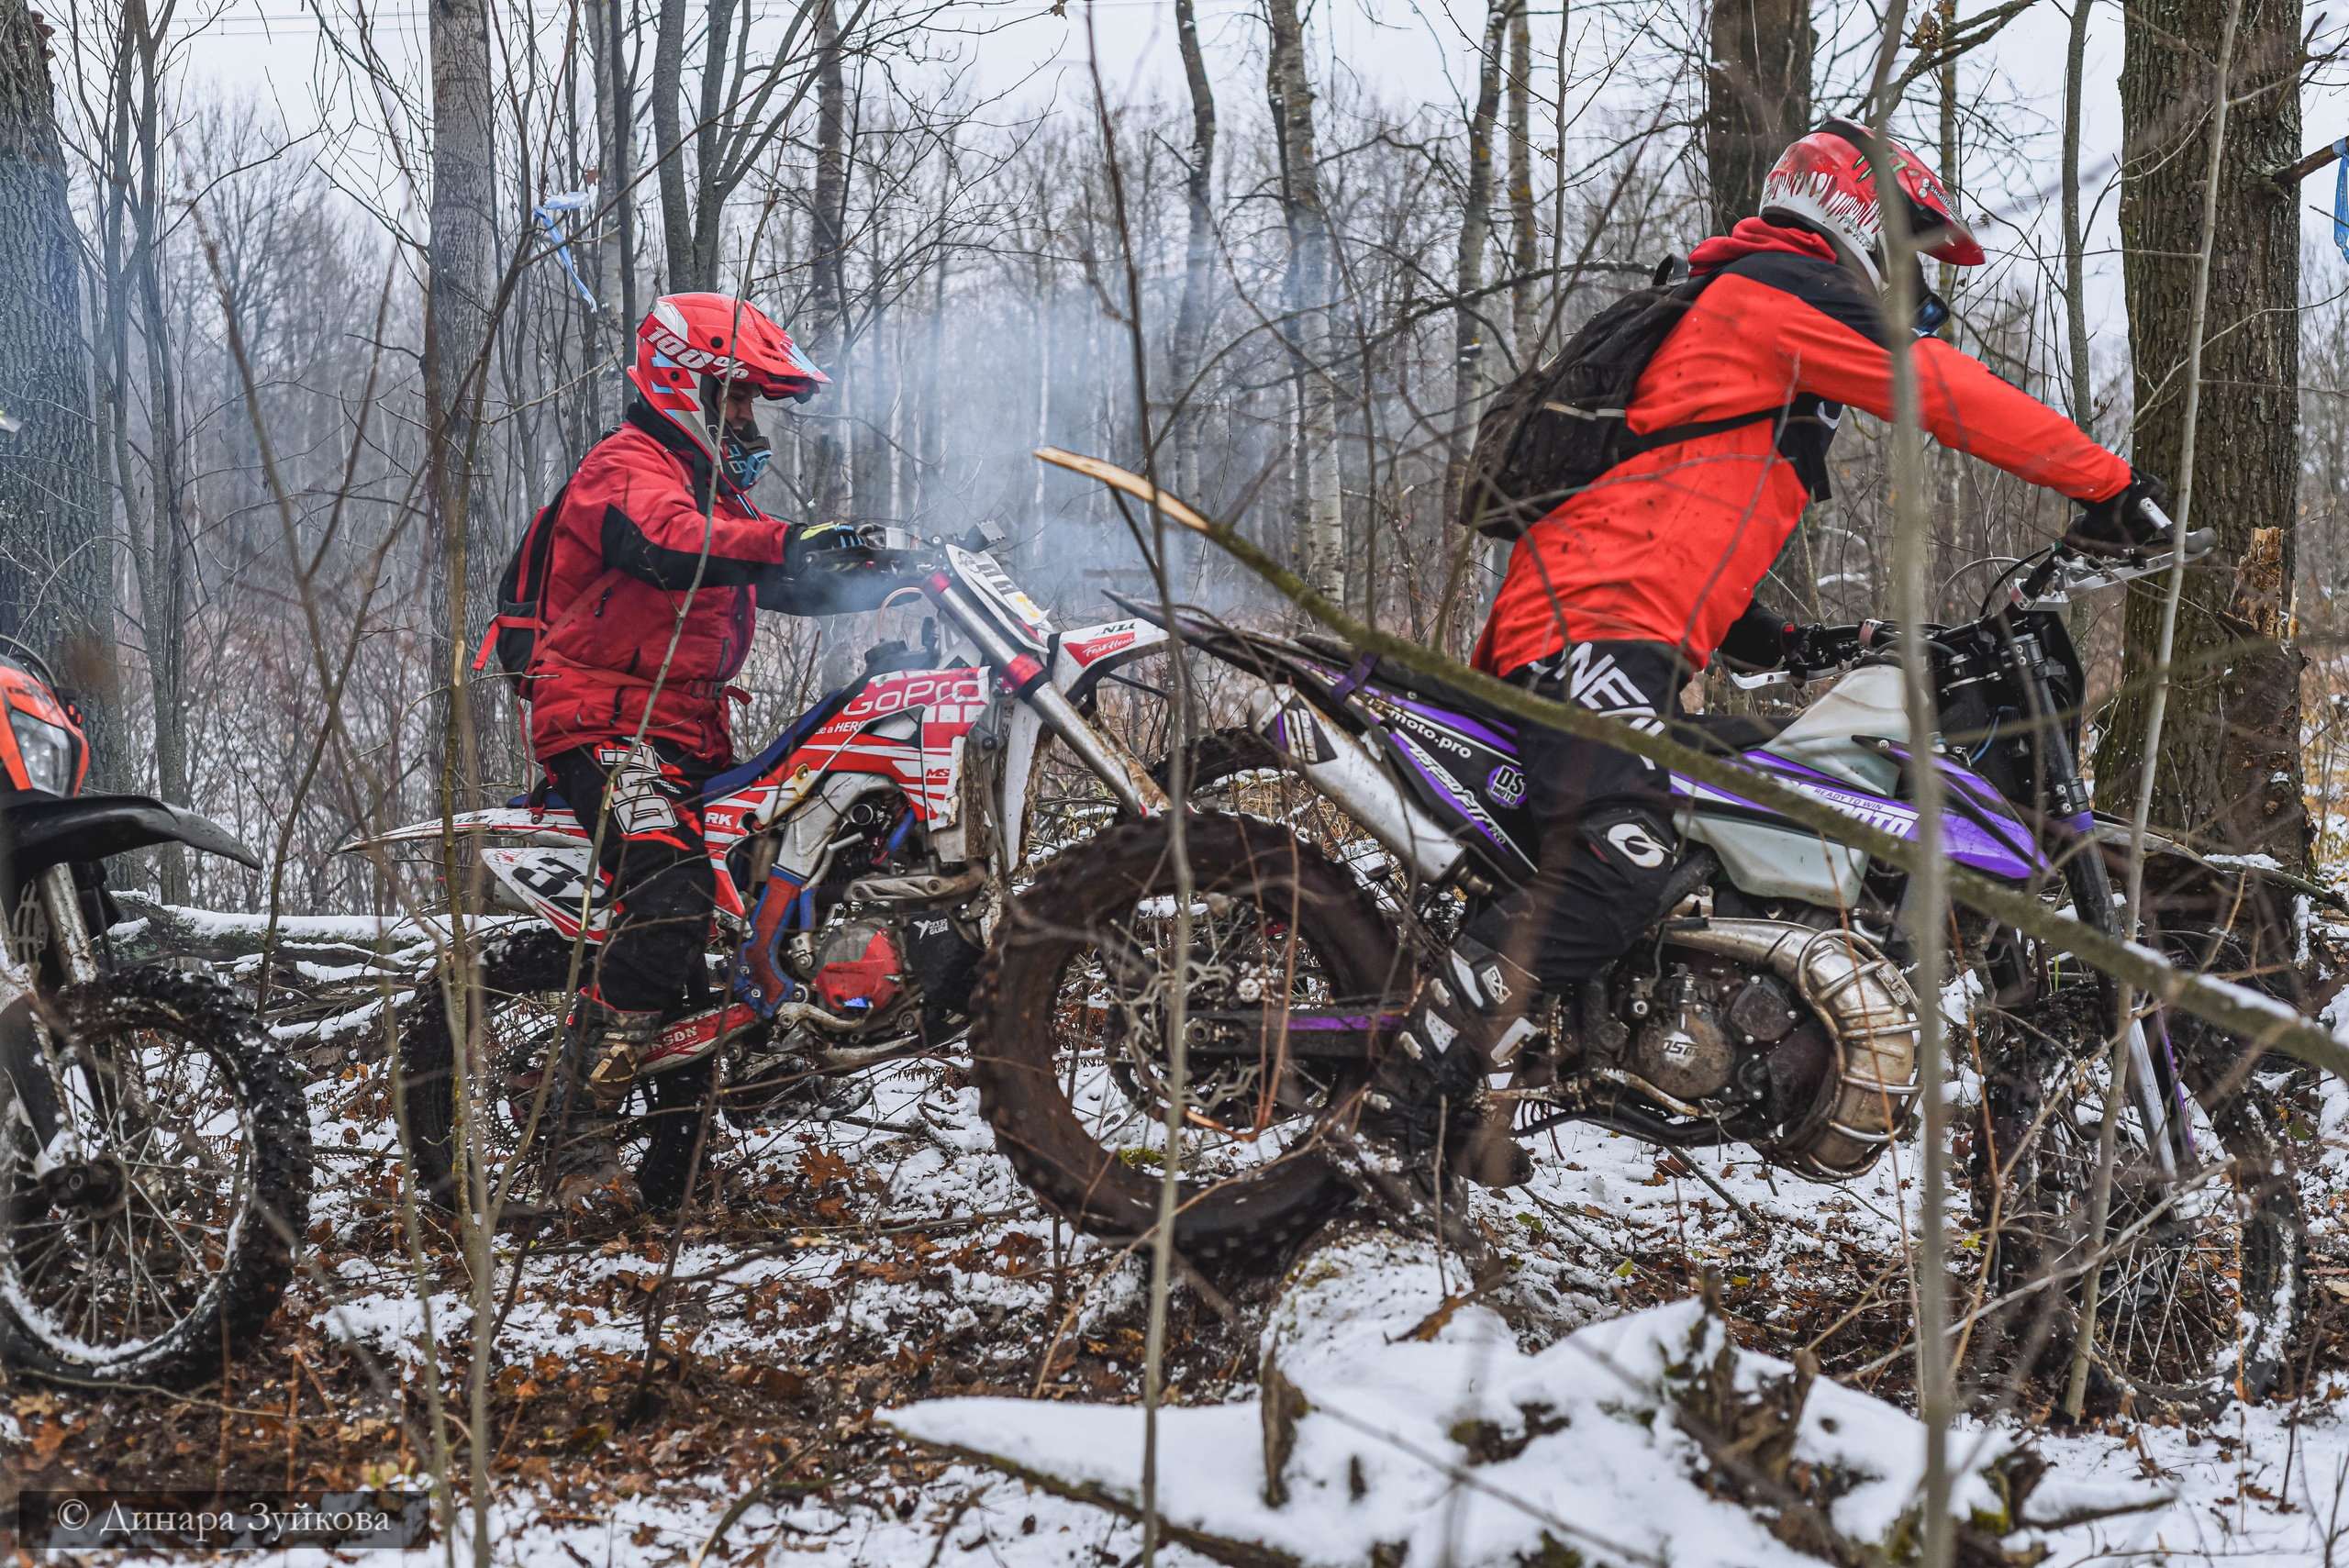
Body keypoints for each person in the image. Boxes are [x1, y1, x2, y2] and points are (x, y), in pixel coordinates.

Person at [1409, 119, 2170, 1187]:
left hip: (1622, 633)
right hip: (1585, 636)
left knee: (1732, 820)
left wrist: (1793, 639)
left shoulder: (1751, 322)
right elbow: (1940, 391)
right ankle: (1406, 1076)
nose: (1913, 282)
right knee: (1619, 854)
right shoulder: (1774, 293)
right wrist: (2107, 485)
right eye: (1911, 249)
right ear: (1859, 216)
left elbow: (1668, 508)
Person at [523, 292, 852, 1211]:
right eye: (738, 400)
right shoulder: (626, 467)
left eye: (755, 404)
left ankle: (675, 1175)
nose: (749, 421)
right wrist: (789, 536)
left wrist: (886, 569)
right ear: (686, 385)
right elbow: (665, 548)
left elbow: (777, 582)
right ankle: (574, 1131)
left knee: (724, 936)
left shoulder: (715, 496)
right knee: (669, 901)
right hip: (601, 725)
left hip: (688, 733)